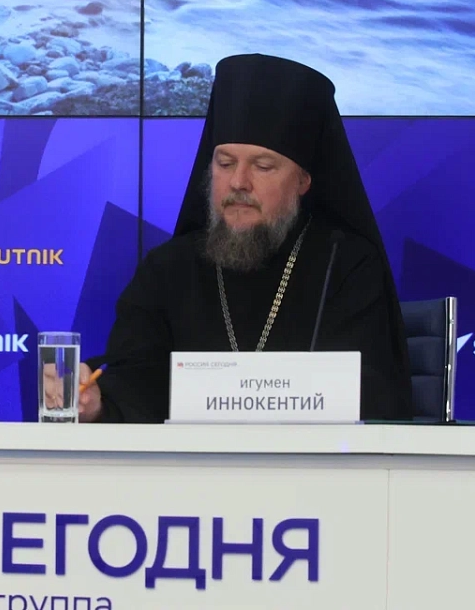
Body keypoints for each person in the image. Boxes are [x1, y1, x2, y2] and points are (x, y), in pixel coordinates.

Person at [77, 53, 412, 423]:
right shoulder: (166, 269)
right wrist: (96, 403)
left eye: (263, 166)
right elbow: (136, 382)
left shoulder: (346, 265)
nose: (238, 182)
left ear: (303, 180)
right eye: (225, 163)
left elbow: (371, 395)